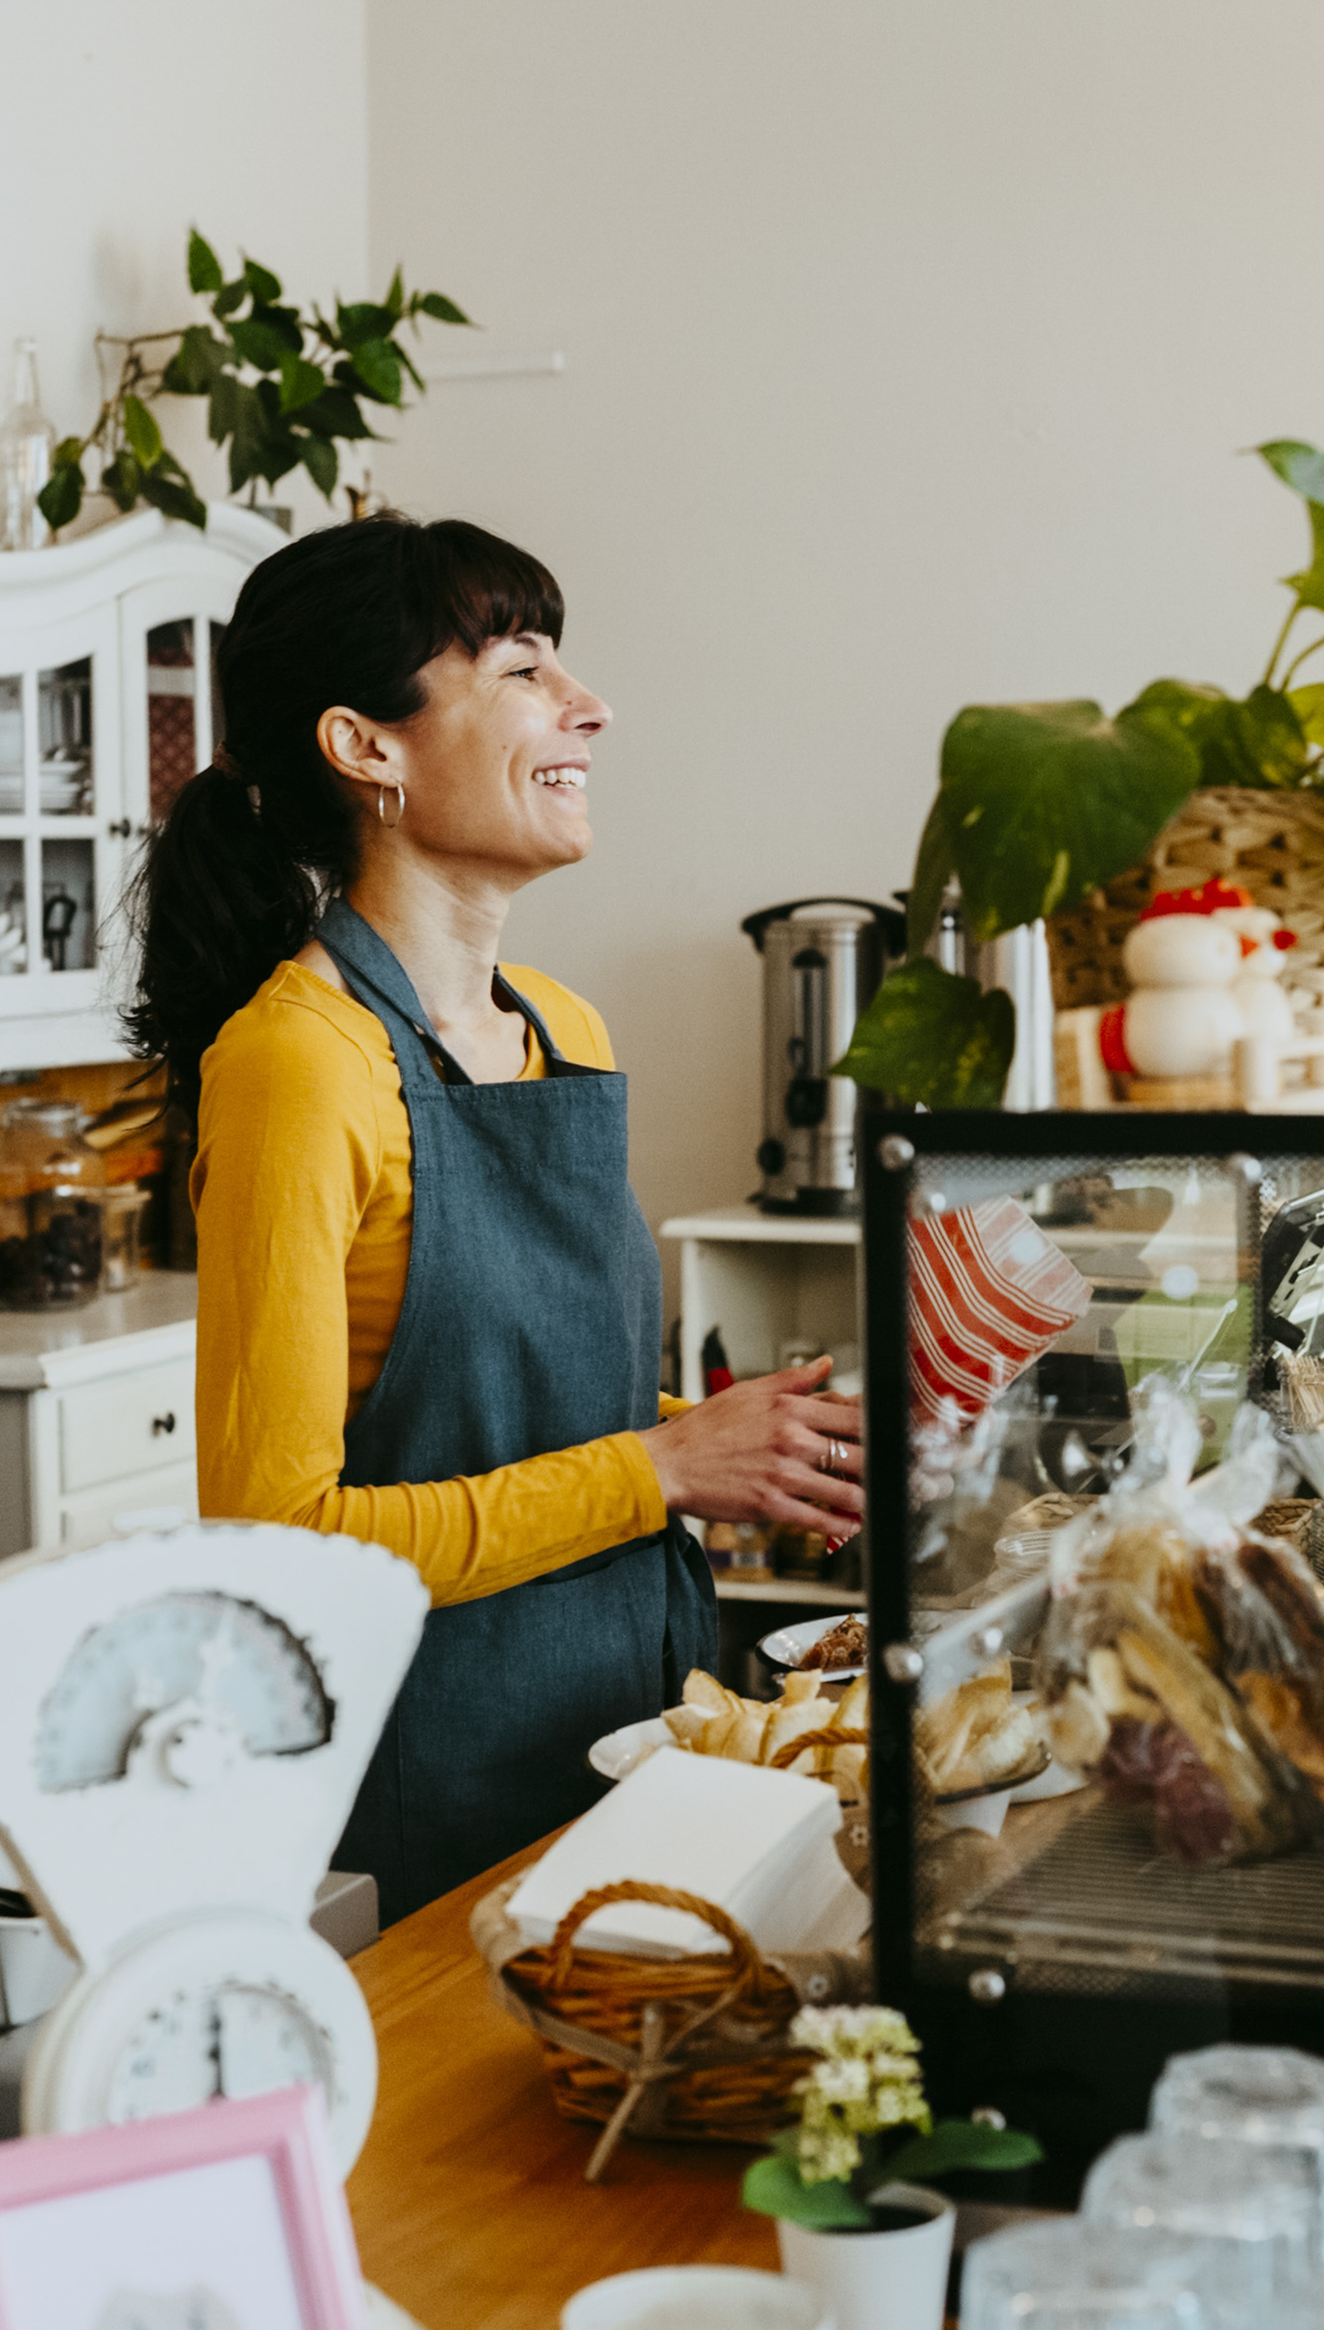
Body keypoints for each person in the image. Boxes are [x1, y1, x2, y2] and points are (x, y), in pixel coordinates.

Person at [139, 514, 867, 1918]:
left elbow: (527, 1401)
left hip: (633, 1725)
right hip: (429, 1784)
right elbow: (278, 1537)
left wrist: (769, 1448)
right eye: (522, 665)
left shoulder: (566, 1033)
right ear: (367, 748)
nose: (588, 705)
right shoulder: (301, 1062)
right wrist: (661, 1464)